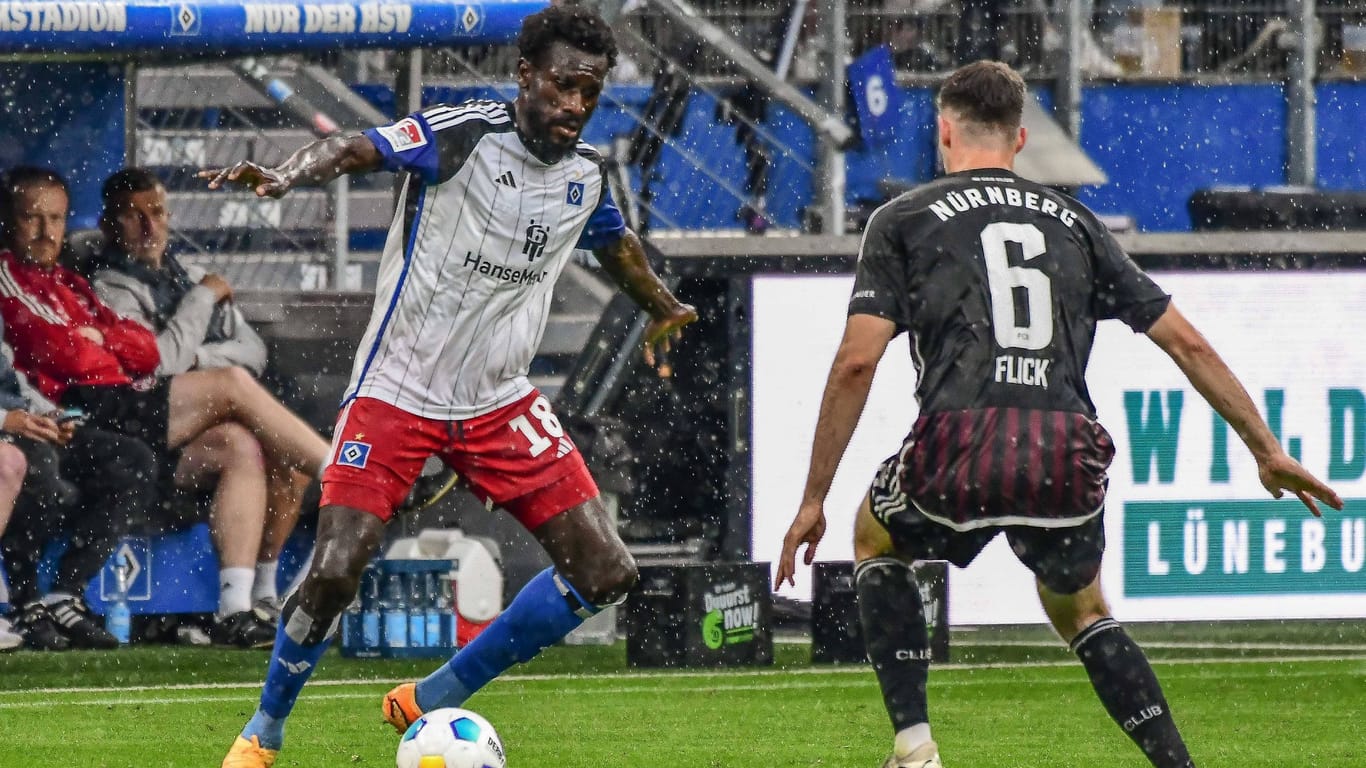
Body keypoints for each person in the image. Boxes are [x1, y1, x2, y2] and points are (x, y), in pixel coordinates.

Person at [774, 60, 1341, 768]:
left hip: (960, 439)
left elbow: (857, 361)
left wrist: (813, 497)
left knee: (874, 541)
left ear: (943, 131)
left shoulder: (904, 219)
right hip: (1066, 447)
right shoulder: (1077, 221)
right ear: (1019, 141)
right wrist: (1265, 449)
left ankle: (915, 746)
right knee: (1082, 612)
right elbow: (1185, 341)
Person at [201, 5, 696, 766]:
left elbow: (615, 241)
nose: (574, 107)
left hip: (499, 399)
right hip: (397, 390)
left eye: (590, 95)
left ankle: (433, 696)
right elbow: (357, 148)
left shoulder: (585, 177)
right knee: (334, 570)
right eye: (562, 86)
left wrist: (662, 305)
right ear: (524, 75)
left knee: (606, 573)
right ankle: (263, 733)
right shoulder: (464, 133)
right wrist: (286, 172)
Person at [0, 166, 334, 646]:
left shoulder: (73, 284)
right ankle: (348, 477)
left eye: (55, 219)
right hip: (96, 407)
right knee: (233, 385)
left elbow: (146, 351)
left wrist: (116, 343)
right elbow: (84, 354)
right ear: (11, 220)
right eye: (33, 218)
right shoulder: (50, 280)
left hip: (130, 405)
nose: (46, 231)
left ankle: (236, 608)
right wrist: (117, 343)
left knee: (240, 443)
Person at [89, 167, 313, 618]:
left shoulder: (189, 274)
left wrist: (198, 360)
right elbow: (160, 363)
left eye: (155, 212)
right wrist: (203, 303)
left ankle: (249, 604)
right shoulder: (108, 286)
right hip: (138, 428)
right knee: (232, 386)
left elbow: (253, 350)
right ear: (110, 225)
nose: (150, 226)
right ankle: (348, 477)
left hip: (200, 428)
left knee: (257, 447)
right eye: (134, 216)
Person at [0, 322, 161, 650]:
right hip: (7, 430)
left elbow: (9, 380)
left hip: (19, 422)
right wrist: (5, 419)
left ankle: (66, 594)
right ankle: (25, 602)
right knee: (36, 463)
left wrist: (49, 415)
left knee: (133, 460)